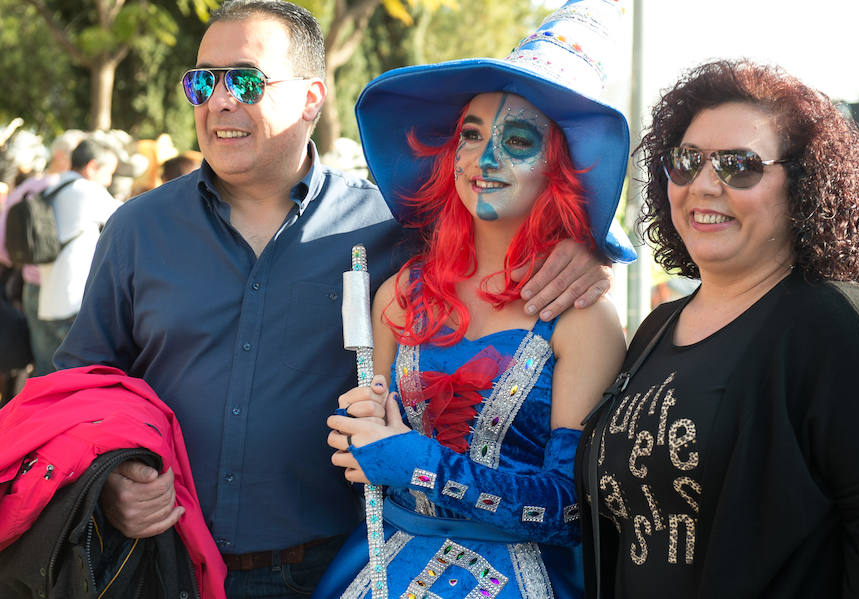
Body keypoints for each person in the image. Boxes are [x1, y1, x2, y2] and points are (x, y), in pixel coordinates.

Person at [54, 1, 617, 597]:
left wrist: (585, 252)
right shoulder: (137, 229)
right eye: (203, 82)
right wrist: (107, 479)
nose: (219, 101)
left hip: (320, 568)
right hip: (163, 564)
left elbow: (494, 237)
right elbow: (79, 383)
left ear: (311, 98)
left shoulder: (388, 230)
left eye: (244, 80)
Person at [317, 2, 632, 597]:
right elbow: (374, 452)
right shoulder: (400, 294)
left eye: (516, 140)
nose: (485, 160)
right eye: (471, 135)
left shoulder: (582, 314)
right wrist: (362, 440)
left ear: (558, 168)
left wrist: (409, 461)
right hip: (379, 569)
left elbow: (569, 511)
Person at [576, 59, 859, 598]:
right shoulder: (658, 327)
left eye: (739, 165)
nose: (704, 185)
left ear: (802, 185)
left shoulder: (834, 325)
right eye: (686, 161)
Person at [0, 129, 85, 376]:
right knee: (69, 371)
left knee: (43, 367)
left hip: (30, 288)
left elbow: (4, 245)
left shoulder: (27, 189)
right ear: (61, 156)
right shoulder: (81, 190)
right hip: (66, 293)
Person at [33, 137, 119, 375]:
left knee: (45, 377)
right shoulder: (87, 190)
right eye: (108, 172)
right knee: (74, 381)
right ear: (92, 167)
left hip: (47, 302)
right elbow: (128, 217)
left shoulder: (52, 189)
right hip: (72, 303)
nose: (109, 180)